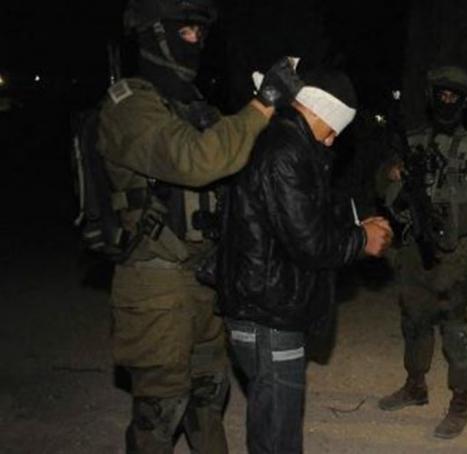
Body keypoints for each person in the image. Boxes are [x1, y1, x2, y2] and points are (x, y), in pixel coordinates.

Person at [97, 0, 299, 451]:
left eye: (201, 33)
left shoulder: (189, 105)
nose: (196, 41)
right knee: (160, 411)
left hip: (203, 276)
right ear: (155, 34)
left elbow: (234, 159)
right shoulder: (130, 106)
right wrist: (264, 103)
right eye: (186, 31)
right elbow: (198, 161)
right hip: (156, 284)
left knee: (209, 398)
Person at [215, 69, 393, 453]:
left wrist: (354, 226)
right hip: (269, 315)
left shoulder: (286, 143)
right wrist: (362, 239)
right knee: (278, 437)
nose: (333, 140)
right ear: (319, 112)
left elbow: (301, 221)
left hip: (267, 308)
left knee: (272, 426)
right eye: (333, 129)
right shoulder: (285, 152)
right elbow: (310, 244)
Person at [375, 65, 467, 439]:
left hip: (456, 255)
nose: (447, 102)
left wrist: (451, 223)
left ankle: (459, 402)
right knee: (414, 321)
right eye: (441, 95)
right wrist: (392, 175)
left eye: (453, 97)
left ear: (464, 104)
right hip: (415, 249)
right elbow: (381, 183)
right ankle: (415, 385)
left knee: (455, 330)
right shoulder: (413, 140)